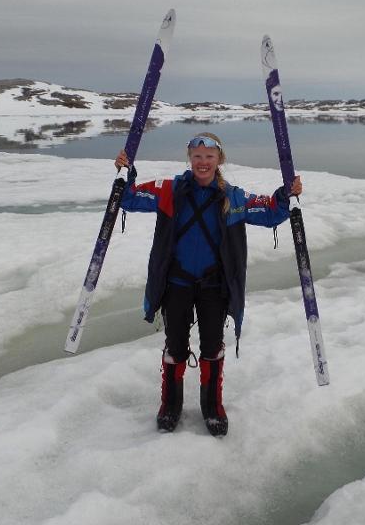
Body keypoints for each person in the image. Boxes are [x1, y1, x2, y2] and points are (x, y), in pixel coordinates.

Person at [115, 132, 302, 437]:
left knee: (212, 347)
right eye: (197, 156)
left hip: (214, 286)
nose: (203, 163)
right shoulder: (169, 190)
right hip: (176, 283)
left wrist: (285, 195)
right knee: (175, 347)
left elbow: (269, 212)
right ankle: (170, 405)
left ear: (219, 160)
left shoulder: (234, 197)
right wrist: (126, 172)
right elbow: (128, 198)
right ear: (190, 158)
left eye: (209, 157)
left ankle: (212, 407)